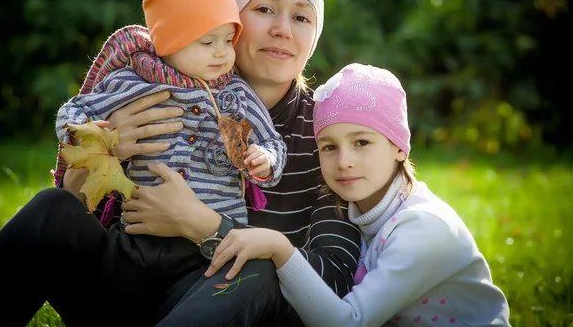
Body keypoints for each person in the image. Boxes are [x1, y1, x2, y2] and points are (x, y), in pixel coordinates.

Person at [0, 0, 361, 327]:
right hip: (125, 281)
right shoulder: (152, 90)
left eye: (302, 17)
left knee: (257, 270)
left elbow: (335, 281)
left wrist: (200, 224)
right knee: (52, 208)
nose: (282, 30)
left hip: (216, 296)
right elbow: (75, 209)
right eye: (264, 9)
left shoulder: (327, 133)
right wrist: (106, 148)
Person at [202, 63, 512, 326]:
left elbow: (349, 321)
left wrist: (280, 249)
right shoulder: (356, 213)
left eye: (361, 142)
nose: (344, 161)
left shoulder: (424, 227)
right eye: (329, 147)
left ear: (399, 147)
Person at [54, 0, 287, 227]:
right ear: (168, 43)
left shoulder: (235, 94)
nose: (222, 52)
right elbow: (75, 111)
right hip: (142, 230)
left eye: (228, 40)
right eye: (208, 42)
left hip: (216, 240)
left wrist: (266, 159)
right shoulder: (132, 83)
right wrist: (91, 136)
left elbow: (273, 142)